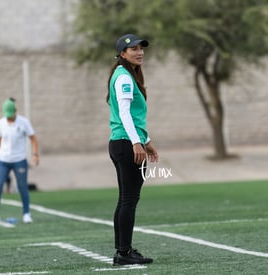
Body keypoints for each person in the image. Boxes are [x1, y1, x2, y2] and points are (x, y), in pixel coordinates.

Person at [107, 34, 159, 265]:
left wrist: (146, 141)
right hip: (127, 143)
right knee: (129, 199)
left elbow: (130, 117)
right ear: (122, 54)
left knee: (125, 199)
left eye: (141, 48)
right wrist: (137, 142)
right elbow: (126, 114)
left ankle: (123, 250)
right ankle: (124, 253)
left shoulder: (123, 75)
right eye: (133, 49)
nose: (139, 52)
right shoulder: (124, 77)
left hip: (122, 142)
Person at [0, 98, 39, 223]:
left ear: (15, 111)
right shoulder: (0, 123)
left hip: (19, 160)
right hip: (3, 160)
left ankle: (26, 213)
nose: (8, 118)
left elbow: (33, 139)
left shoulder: (24, 122)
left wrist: (35, 154)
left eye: (10, 115)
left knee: (22, 186)